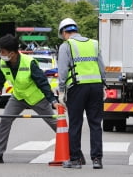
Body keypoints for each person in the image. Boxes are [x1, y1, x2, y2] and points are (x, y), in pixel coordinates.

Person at [0, 34, 59, 163]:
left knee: (55, 123)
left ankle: (74, 151)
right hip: (18, 97)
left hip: (36, 98)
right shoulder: (2, 63)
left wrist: (53, 101)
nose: (1, 54)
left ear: (12, 53)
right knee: (5, 121)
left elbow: (42, 82)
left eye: (3, 51)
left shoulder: (29, 63)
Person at [56, 18, 105, 169]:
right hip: (96, 87)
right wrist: (103, 84)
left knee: (76, 124)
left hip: (77, 88)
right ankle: (97, 159)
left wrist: (61, 90)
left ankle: (75, 159)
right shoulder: (94, 43)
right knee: (95, 124)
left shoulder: (67, 45)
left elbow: (63, 70)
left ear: (64, 32)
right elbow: (101, 66)